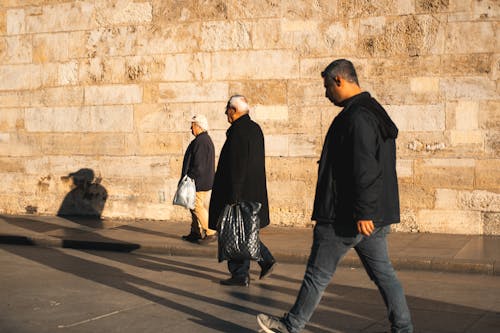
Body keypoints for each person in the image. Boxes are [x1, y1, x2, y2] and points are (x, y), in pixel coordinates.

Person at [257, 59, 413, 333]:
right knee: (385, 276)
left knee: (317, 276)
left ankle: (290, 326)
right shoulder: (372, 111)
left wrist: (364, 211)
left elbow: (364, 167)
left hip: (345, 216)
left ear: (339, 80)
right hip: (368, 218)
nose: (326, 93)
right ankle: (403, 328)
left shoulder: (357, 117)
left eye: (327, 86)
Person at [209, 95, 276, 286]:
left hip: (239, 193)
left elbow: (238, 165)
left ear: (233, 110)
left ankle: (241, 273)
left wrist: (234, 195)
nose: (225, 113)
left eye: (227, 109)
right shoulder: (254, 129)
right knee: (245, 231)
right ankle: (264, 261)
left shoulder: (238, 132)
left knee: (234, 231)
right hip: (252, 192)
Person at [180, 115, 217, 244]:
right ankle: (195, 232)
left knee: (196, 206)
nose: (191, 128)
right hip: (201, 180)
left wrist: (189, 178)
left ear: (199, 126)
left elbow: (199, 165)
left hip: (199, 181)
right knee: (193, 205)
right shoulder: (203, 140)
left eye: (193, 125)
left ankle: (210, 232)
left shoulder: (201, 141)